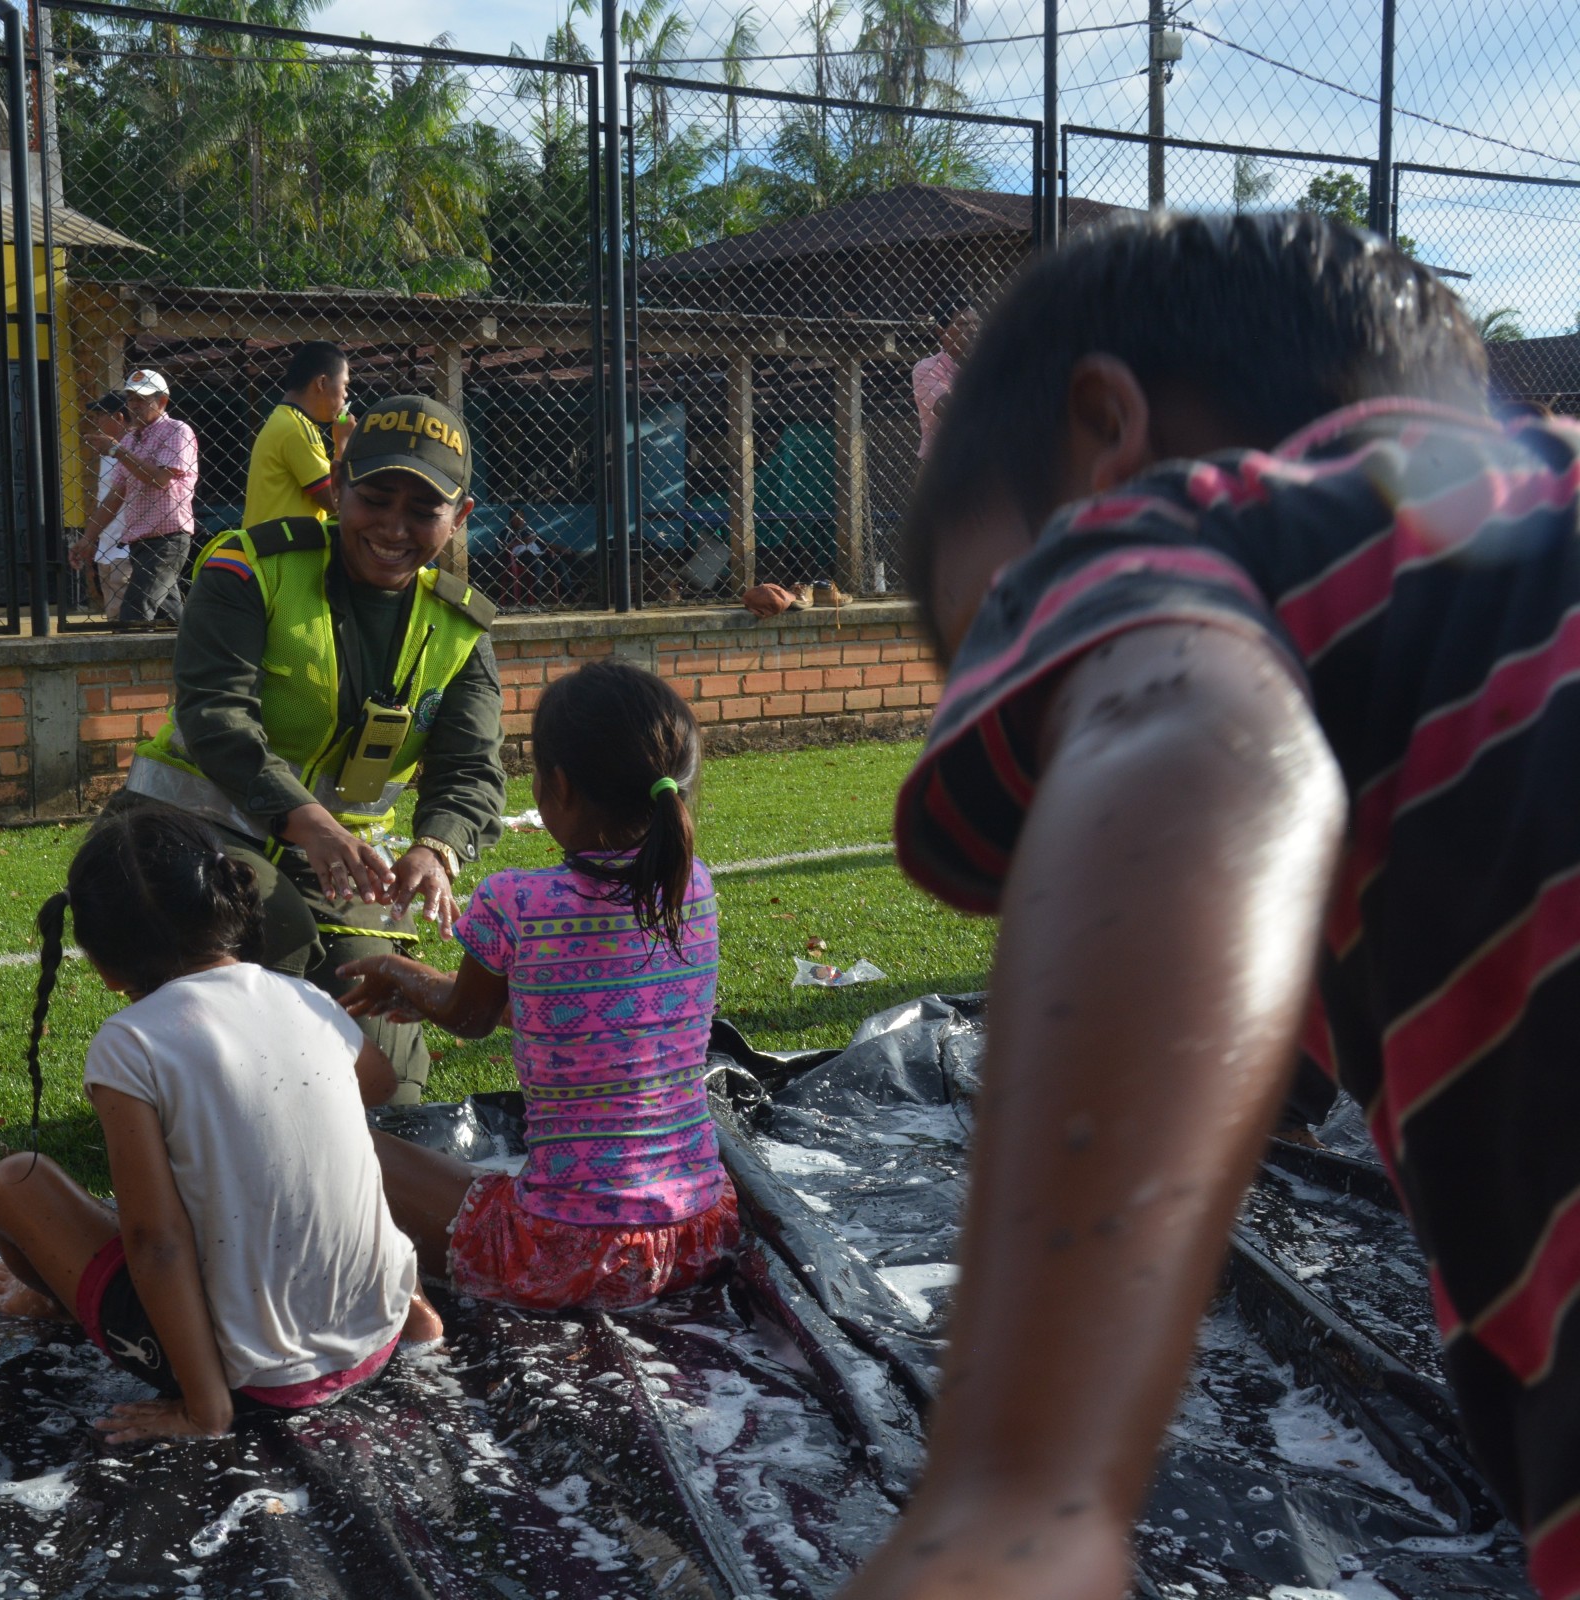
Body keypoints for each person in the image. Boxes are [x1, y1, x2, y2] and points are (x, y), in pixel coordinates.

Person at [846, 212, 1580, 1600]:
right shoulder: (1493, 627)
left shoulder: (1219, 520)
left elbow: (1196, 734)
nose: (1046, 688)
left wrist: (1022, 1497)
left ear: (1103, 433)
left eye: (1015, 634)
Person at [0, 805, 438, 1440]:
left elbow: (155, 1241)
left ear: (103, 963)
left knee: (15, 1183)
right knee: (341, 1150)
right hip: (381, 1333)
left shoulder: (130, 1043)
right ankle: (419, 1313)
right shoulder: (301, 995)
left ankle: (57, 1304)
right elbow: (379, 1085)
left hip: (256, 1379)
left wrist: (206, 1409)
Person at [117, 395, 506, 1104]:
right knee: (280, 942)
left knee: (387, 1083)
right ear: (339, 486)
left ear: (460, 518)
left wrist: (436, 849)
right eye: (375, 498)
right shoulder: (248, 567)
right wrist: (311, 823)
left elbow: (472, 770)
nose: (393, 527)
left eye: (423, 511)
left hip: (336, 866)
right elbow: (217, 715)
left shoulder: (460, 625)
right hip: (185, 833)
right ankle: (182, 1089)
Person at [334, 660, 735, 1310]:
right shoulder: (695, 890)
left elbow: (465, 1016)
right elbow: (593, 1011)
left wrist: (400, 972)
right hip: (700, 1234)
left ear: (557, 787)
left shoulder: (516, 901)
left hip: (567, 1253)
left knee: (335, 1137)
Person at [96, 368, 197, 628]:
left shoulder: (177, 431)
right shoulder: (130, 439)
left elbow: (160, 479)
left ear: (162, 401)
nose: (134, 406)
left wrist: (116, 450)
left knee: (134, 612)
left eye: (142, 399)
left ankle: (127, 664)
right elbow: (116, 494)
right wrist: (87, 539)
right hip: (139, 541)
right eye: (131, 399)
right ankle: (196, 652)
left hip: (168, 538)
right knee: (172, 617)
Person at [243, 341, 355, 526]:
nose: (346, 395)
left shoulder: (284, 419)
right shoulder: (297, 429)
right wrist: (343, 442)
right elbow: (336, 502)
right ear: (322, 382)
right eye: (344, 385)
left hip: (268, 549)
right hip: (283, 553)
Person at [71, 393, 132, 619]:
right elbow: (106, 500)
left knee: (128, 617)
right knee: (114, 616)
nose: (96, 422)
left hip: (127, 549)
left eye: (100, 416)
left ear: (118, 417)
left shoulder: (134, 452)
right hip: (107, 549)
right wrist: (94, 540)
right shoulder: (108, 454)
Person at [911, 299, 978, 459]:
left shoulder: (987, 364)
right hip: (941, 466)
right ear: (941, 331)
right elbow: (955, 410)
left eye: (976, 322)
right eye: (964, 324)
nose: (974, 330)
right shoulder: (926, 369)